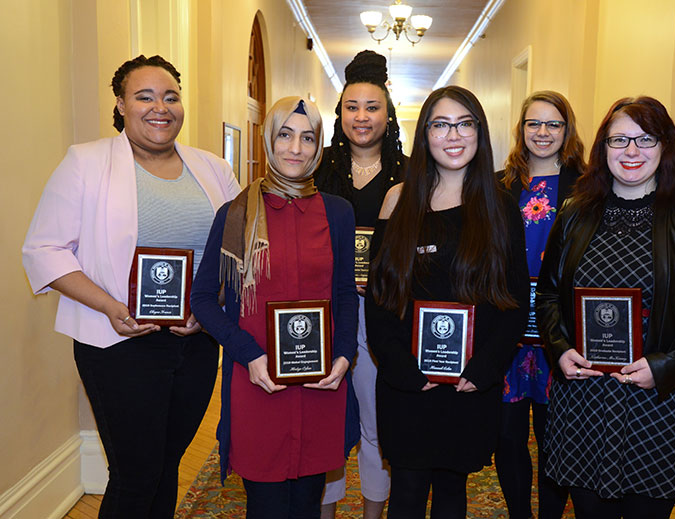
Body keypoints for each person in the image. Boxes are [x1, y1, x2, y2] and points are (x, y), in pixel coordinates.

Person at [22, 55, 241, 518]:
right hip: (118, 343)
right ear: (121, 105)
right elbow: (44, 250)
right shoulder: (87, 162)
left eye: (170, 96)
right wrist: (109, 306)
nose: (159, 107)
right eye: (144, 96)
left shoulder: (214, 169)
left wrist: (212, 305)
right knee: (135, 475)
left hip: (196, 343)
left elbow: (238, 255)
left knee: (166, 464)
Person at [536, 96, 675, 519]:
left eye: (645, 140)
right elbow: (549, 295)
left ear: (665, 147)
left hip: (660, 401)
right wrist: (559, 348)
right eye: (619, 140)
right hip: (586, 399)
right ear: (602, 148)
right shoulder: (573, 214)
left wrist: (663, 366)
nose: (631, 151)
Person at [190, 96, 359, 519]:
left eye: (307, 138)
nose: (295, 149)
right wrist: (248, 355)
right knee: (264, 508)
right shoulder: (235, 214)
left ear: (319, 146)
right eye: (285, 135)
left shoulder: (337, 213)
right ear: (268, 140)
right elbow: (202, 300)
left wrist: (343, 355)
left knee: (306, 506)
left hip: (321, 386)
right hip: (257, 383)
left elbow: (343, 294)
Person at [366, 85, 530, 518]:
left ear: (479, 131)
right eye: (441, 124)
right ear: (425, 134)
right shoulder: (397, 201)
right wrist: (401, 368)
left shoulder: (501, 208)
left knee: (452, 495)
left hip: (469, 384)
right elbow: (380, 297)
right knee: (406, 492)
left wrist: (485, 369)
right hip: (407, 382)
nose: (453, 135)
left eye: (464, 123)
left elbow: (513, 301)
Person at [314, 49, 407, 519]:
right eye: (352, 107)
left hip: (383, 316)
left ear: (387, 114)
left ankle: (373, 514)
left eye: (372, 107)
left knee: (375, 422)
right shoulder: (317, 168)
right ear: (340, 113)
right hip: (326, 313)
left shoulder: (411, 174)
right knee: (327, 422)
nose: (362, 116)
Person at [496, 91, 585, 519]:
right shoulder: (499, 186)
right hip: (507, 331)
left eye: (554, 124)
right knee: (508, 437)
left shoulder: (588, 188)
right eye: (534, 123)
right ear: (521, 129)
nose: (543, 133)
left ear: (567, 131)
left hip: (560, 332)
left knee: (556, 438)